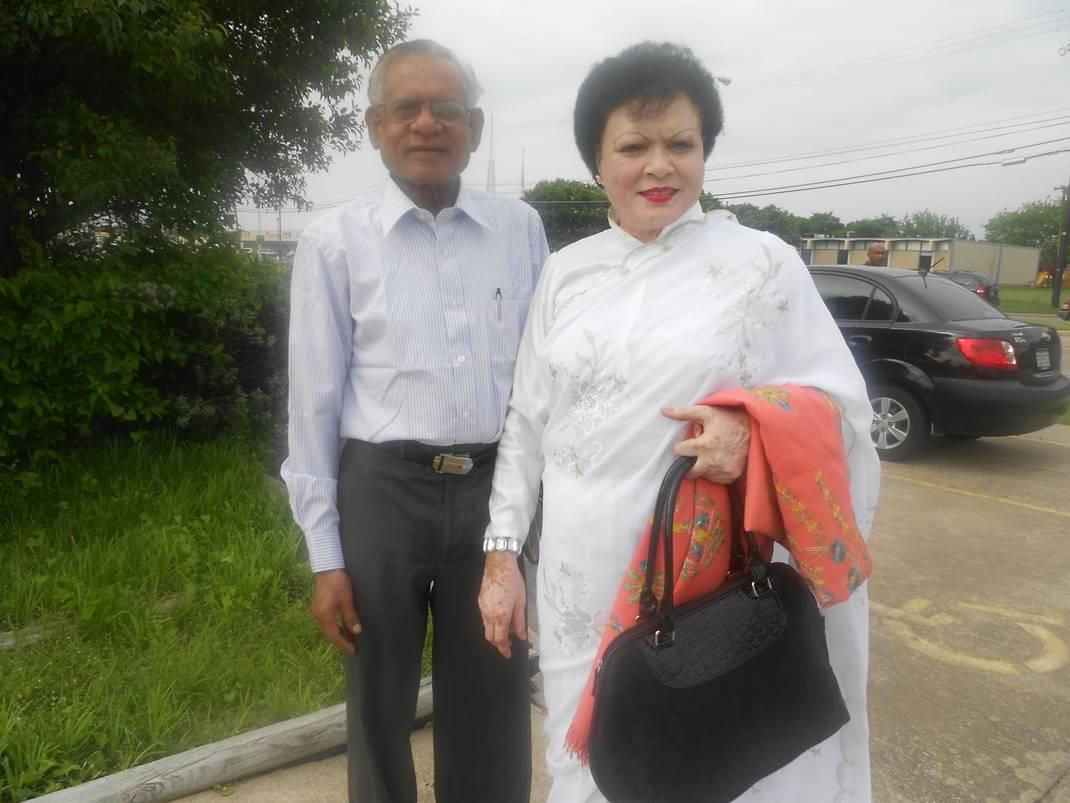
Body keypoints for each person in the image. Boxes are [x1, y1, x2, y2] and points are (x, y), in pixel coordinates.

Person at [478, 42, 881, 802]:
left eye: (681, 144)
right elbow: (527, 423)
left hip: (698, 579)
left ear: (706, 153)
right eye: (633, 146)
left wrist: (755, 433)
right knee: (596, 760)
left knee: (701, 756)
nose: (659, 166)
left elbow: (843, 410)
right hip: (574, 580)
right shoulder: (568, 272)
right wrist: (502, 555)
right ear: (597, 161)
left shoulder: (760, 265)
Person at [282, 39, 547, 803]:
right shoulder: (335, 240)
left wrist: (536, 511)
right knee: (378, 697)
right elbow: (313, 404)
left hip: (493, 491)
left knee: (495, 684)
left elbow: (538, 379)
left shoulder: (519, 229)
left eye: (447, 108)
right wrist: (325, 554)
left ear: (476, 125)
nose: (427, 123)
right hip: (381, 491)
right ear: (375, 125)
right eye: (407, 107)